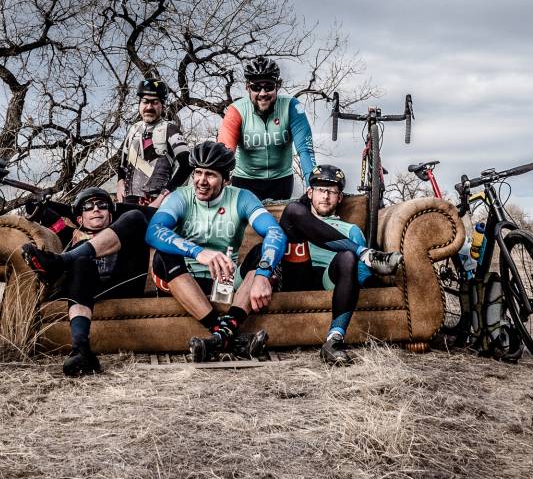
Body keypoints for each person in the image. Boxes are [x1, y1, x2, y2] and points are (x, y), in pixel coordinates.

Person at [146, 140, 286, 361]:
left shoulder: (242, 198)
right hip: (185, 280)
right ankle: (227, 334)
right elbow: (153, 231)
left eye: (210, 174)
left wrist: (263, 274)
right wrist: (198, 252)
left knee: (262, 253)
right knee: (164, 255)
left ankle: (219, 339)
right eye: (197, 173)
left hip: (225, 283)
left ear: (226, 179)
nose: (201, 181)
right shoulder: (180, 197)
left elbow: (275, 233)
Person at [274, 164, 403, 365]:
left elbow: (358, 272)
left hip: (331, 278)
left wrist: (369, 283)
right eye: (321, 190)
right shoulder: (298, 217)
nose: (325, 196)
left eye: (332, 192)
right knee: (292, 210)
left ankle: (334, 341)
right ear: (310, 193)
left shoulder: (351, 229)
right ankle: (365, 253)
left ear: (340, 198)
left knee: (348, 257)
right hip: (296, 274)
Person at [21, 188, 150, 377]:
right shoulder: (69, 235)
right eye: (88, 207)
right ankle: (81, 350)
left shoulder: (127, 230)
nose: (96, 209)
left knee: (136, 216)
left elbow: (142, 214)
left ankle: (61, 262)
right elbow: (35, 206)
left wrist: (73, 208)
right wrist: (50, 203)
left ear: (111, 215)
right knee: (80, 261)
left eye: (102, 205)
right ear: (79, 220)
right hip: (86, 289)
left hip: (122, 286)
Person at [217, 57, 314, 201]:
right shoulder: (236, 111)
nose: (262, 93)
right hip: (244, 181)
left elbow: (305, 150)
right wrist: (219, 181)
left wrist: (312, 184)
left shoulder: (291, 107)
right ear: (247, 87)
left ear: (278, 85)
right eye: (256, 87)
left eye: (268, 86)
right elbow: (224, 153)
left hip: (281, 181)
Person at [117, 78, 192, 206]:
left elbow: (187, 165)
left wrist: (163, 197)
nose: (149, 107)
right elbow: (122, 162)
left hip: (156, 203)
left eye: (155, 102)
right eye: (145, 102)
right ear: (139, 104)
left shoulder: (170, 129)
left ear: (162, 105)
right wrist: (119, 182)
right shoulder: (134, 129)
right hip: (128, 201)